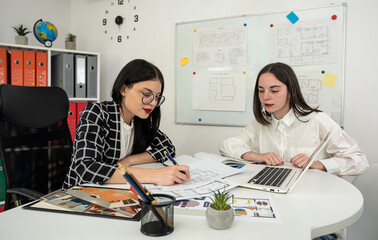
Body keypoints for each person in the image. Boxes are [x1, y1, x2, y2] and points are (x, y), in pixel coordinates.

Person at [219, 62, 369, 240]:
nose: (265, 96)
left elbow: (359, 161)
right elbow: (227, 145)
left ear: (291, 91)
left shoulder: (317, 120)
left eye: (274, 90)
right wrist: (256, 156)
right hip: (277, 211)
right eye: (261, 90)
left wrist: (320, 164)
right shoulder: (261, 124)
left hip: (315, 214)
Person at [63, 59, 190, 189]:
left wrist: (129, 160)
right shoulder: (97, 113)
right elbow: (85, 169)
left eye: (157, 97)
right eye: (147, 94)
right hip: (80, 196)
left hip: (114, 193)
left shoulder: (140, 118)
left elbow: (167, 149)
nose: (152, 103)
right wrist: (155, 175)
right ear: (123, 89)